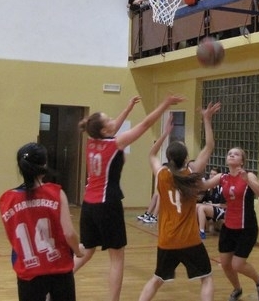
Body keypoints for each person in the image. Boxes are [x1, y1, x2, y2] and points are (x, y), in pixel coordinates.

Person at [74, 94, 185, 301]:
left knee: (86, 250)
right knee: (117, 258)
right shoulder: (113, 145)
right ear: (104, 130)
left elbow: (112, 128)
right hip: (107, 204)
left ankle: (56, 284)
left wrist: (128, 109)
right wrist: (164, 104)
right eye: (109, 119)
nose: (113, 120)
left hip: (88, 204)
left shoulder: (91, 141)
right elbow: (145, 125)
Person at [138, 102, 222, 301]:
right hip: (190, 239)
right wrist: (207, 119)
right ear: (186, 159)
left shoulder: (161, 175)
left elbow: (151, 154)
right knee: (206, 278)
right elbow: (209, 146)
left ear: (169, 158)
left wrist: (166, 133)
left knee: (157, 279)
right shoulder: (191, 175)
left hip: (167, 239)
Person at [0, 142, 84, 301]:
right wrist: (78, 252)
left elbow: (13, 238)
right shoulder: (56, 193)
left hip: (28, 271)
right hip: (59, 268)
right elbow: (69, 233)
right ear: (44, 165)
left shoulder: (7, 200)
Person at [220, 147, 259, 301]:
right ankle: (237, 289)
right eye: (229, 154)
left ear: (242, 161)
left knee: (238, 264)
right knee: (225, 264)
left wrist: (247, 180)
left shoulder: (249, 175)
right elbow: (204, 186)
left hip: (246, 227)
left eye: (236, 154)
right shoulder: (223, 177)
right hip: (228, 226)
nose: (232, 155)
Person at [197, 167, 226, 239]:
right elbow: (203, 200)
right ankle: (195, 228)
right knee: (196, 206)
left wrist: (210, 204)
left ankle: (202, 232)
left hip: (221, 210)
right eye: (211, 174)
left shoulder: (221, 187)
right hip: (212, 209)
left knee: (201, 208)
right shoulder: (208, 187)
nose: (212, 176)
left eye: (214, 174)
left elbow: (224, 205)